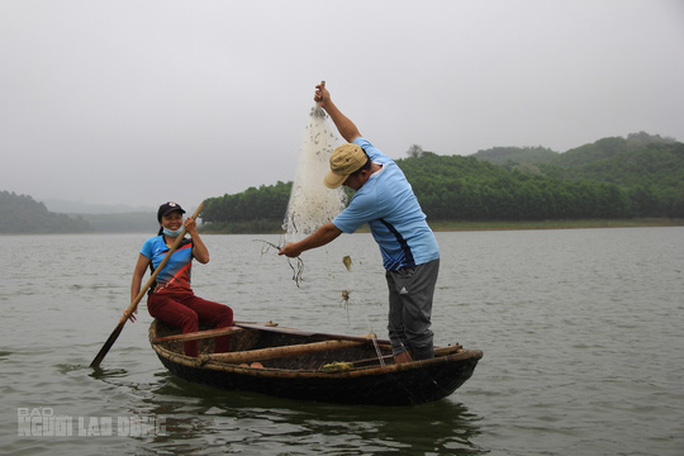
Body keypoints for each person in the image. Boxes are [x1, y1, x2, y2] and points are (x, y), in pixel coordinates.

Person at [279, 82, 440, 363]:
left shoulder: (372, 195)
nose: (346, 187)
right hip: (398, 262)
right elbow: (352, 133)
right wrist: (327, 104)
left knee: (416, 328)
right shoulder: (378, 159)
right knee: (397, 329)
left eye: (347, 181)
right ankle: (404, 374)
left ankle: (426, 375)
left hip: (416, 261)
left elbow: (330, 230)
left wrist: (298, 248)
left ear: (362, 174)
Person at [128, 201, 234, 357]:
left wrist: (193, 232)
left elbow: (204, 258)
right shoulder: (152, 244)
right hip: (159, 299)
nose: (174, 221)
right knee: (189, 317)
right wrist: (133, 303)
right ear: (161, 221)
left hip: (185, 297)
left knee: (225, 313)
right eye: (168, 218)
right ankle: (191, 359)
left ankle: (220, 358)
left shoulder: (188, 243)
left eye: (178, 217)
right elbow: (138, 274)